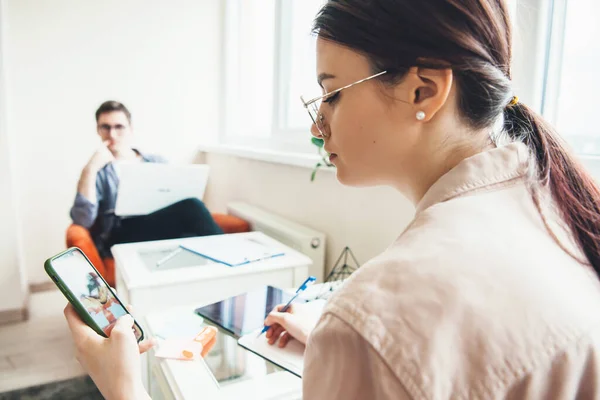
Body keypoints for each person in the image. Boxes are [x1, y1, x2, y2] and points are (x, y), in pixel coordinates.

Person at [64, 1, 600, 399]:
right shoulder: (557, 209)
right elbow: (85, 221)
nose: (318, 125)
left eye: (333, 93)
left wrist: (123, 390)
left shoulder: (375, 317)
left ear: (425, 90)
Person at [70, 101, 223, 259]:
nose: (112, 134)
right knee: (193, 206)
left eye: (119, 127)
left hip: (158, 224)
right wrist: (90, 169)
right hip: (121, 234)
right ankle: (230, 254)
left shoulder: (155, 162)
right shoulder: (100, 171)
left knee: (193, 234)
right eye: (106, 127)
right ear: (98, 130)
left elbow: (176, 199)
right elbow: (82, 220)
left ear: (130, 128)